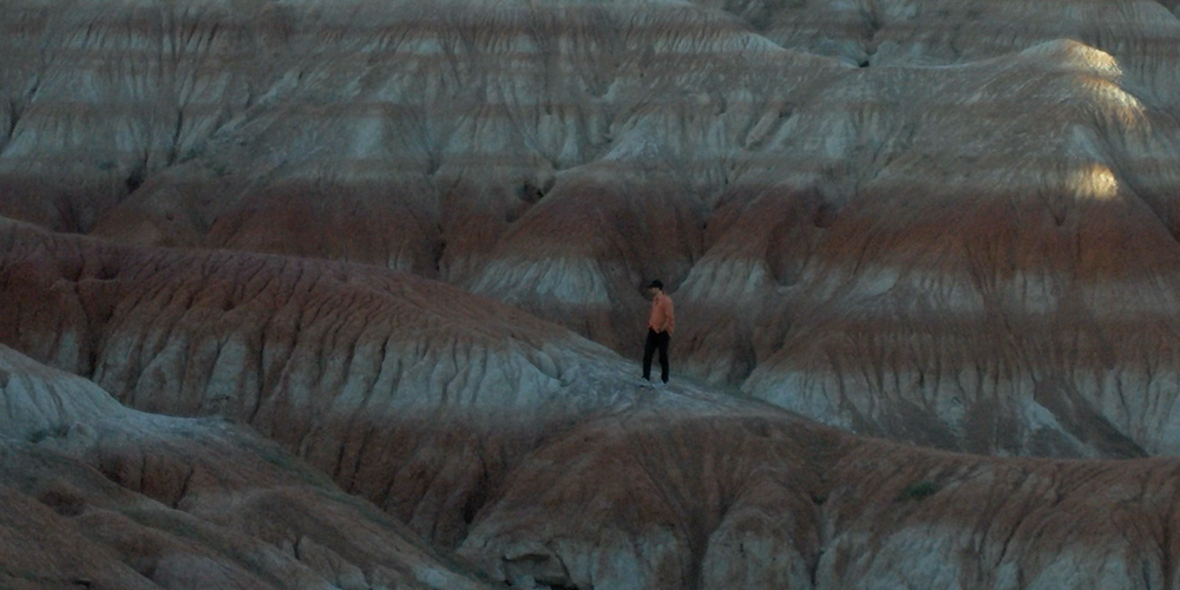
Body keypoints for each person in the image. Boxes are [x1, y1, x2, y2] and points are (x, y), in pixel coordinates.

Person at [642, 279, 675, 385]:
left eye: (652, 288)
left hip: (663, 332)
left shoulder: (666, 300)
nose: (651, 290)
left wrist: (663, 328)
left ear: (657, 288)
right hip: (652, 329)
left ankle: (664, 380)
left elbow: (669, 317)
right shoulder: (655, 300)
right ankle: (645, 377)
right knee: (647, 354)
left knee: (662, 356)